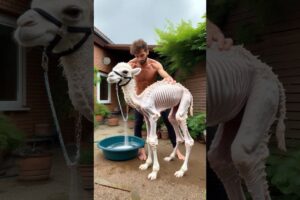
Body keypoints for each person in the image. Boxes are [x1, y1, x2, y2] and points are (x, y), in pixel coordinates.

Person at [128, 39, 185, 161]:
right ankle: (141, 150)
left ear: (147, 52)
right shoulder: (131, 65)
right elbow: (124, 76)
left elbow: (164, 73)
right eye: (136, 56)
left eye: (142, 55)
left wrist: (170, 79)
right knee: (138, 124)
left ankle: (176, 149)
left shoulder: (155, 64)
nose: (139, 58)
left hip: (156, 100)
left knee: (169, 121)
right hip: (140, 100)